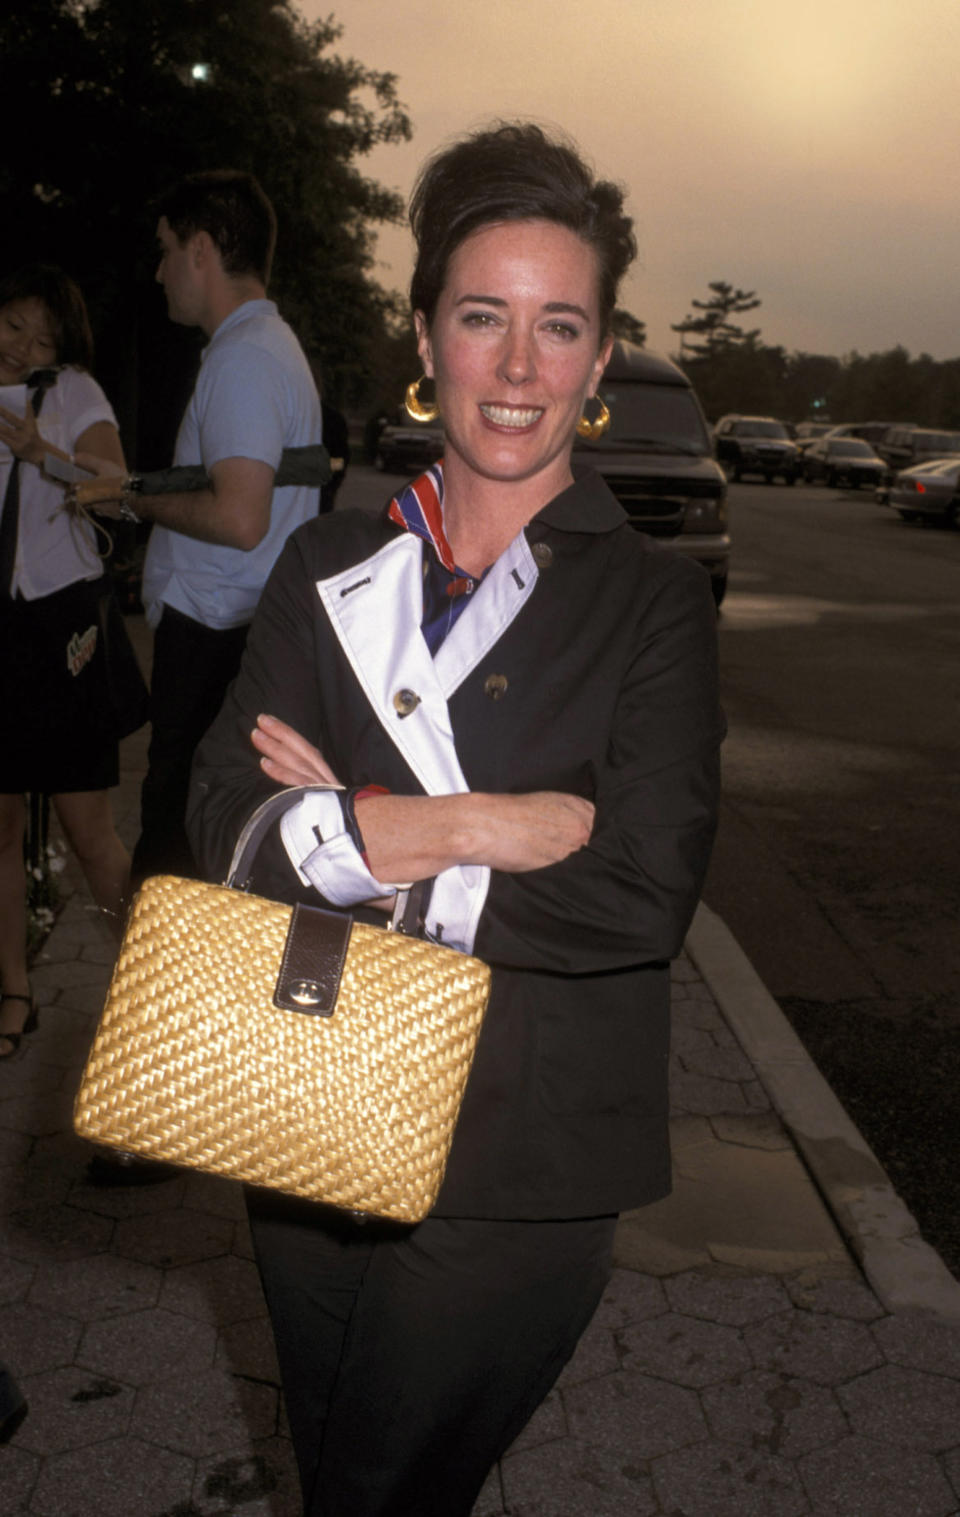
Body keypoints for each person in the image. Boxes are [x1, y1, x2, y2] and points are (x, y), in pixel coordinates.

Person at [187, 123, 725, 1517]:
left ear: (602, 360)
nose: (520, 366)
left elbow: (640, 891)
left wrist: (339, 832)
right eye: (484, 318)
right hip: (305, 1089)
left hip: (521, 1144)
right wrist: (468, 827)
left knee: (376, 1492)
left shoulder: (652, 602)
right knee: (346, 1479)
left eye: (562, 327)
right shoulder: (328, 561)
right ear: (427, 334)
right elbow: (218, 822)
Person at [73, 170, 323, 883]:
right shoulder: (261, 347)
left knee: (175, 865)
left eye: (165, 250)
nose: (158, 272)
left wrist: (130, 497)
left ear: (203, 249)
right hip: (231, 636)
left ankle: (164, 993)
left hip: (214, 645)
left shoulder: (245, 357)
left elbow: (240, 517)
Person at [0, 265, 131, 1058]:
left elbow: (115, 487)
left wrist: (41, 451)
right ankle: (14, 987)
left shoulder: (74, 392)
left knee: (89, 828)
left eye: (43, 337)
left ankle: (146, 987)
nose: (24, 347)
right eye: (13, 325)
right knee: (1, 820)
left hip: (61, 626)